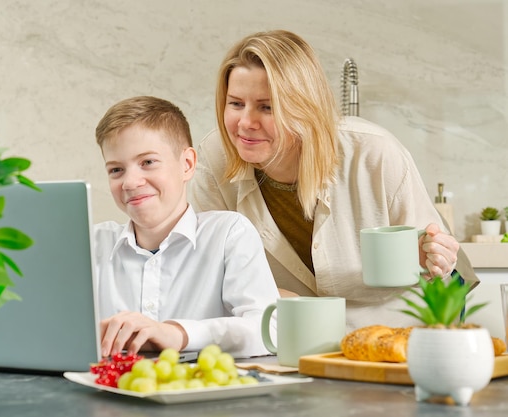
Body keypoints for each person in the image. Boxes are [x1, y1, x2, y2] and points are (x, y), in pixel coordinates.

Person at [188, 30, 478, 330]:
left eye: (267, 107)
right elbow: (211, 275)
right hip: (293, 337)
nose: (246, 123)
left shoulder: (374, 154)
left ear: (303, 108)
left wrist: (438, 260)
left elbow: (441, 276)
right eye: (236, 103)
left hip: (396, 335)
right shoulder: (213, 160)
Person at [93, 95, 279, 359]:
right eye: (116, 170)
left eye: (148, 162)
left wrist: (178, 334)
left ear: (187, 164)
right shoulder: (92, 243)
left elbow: (269, 330)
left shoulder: (228, 234)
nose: (130, 182)